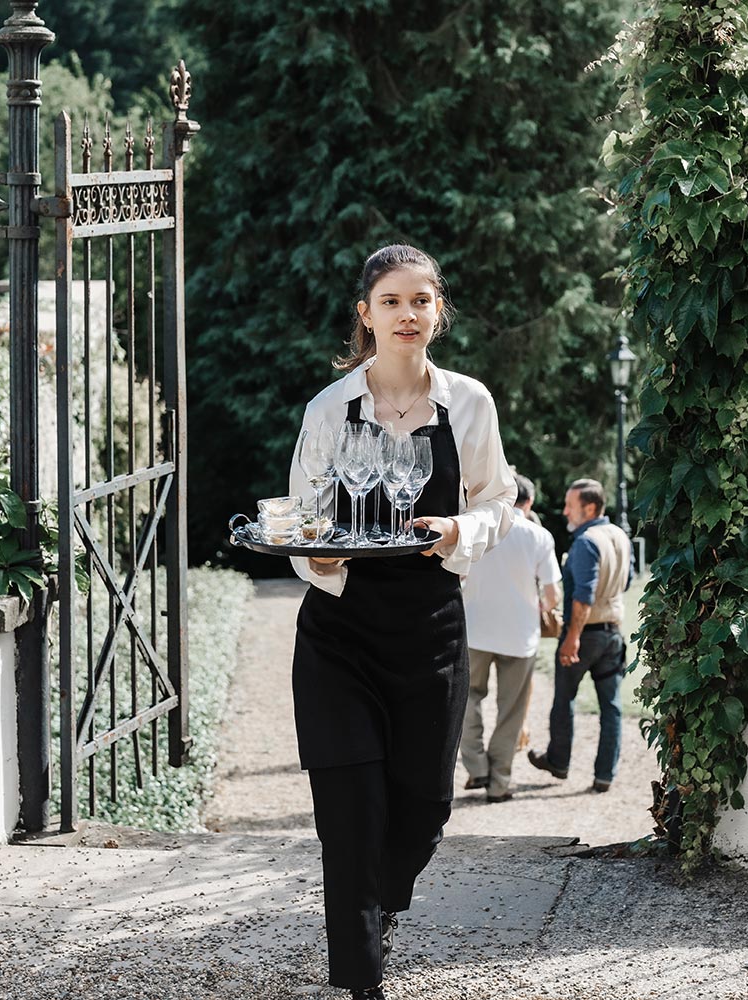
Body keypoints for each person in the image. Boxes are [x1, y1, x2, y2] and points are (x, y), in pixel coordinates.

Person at [286, 244, 516, 1000]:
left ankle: (383, 903)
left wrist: (459, 532)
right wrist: (318, 557)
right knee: (349, 813)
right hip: (340, 631)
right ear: (366, 314)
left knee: (424, 804)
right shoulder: (329, 410)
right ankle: (360, 979)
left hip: (430, 630)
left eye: (421, 300)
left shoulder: (470, 405)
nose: (407, 314)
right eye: (391, 301)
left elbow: (497, 502)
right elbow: (303, 523)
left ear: (438, 311)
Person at [457, 472, 559, 803]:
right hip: (520, 635)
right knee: (511, 710)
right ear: (528, 503)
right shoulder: (538, 536)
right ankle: (499, 782)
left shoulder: (476, 531)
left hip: (475, 629)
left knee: (466, 699)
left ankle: (476, 766)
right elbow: (552, 595)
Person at [527, 479, 633, 793]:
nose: (564, 512)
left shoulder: (587, 541)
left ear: (589, 508)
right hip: (613, 632)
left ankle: (559, 762)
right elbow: (624, 584)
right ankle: (605, 775)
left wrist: (572, 636)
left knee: (564, 699)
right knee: (611, 707)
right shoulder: (620, 536)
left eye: (570, 505)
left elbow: (583, 596)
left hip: (584, 634)